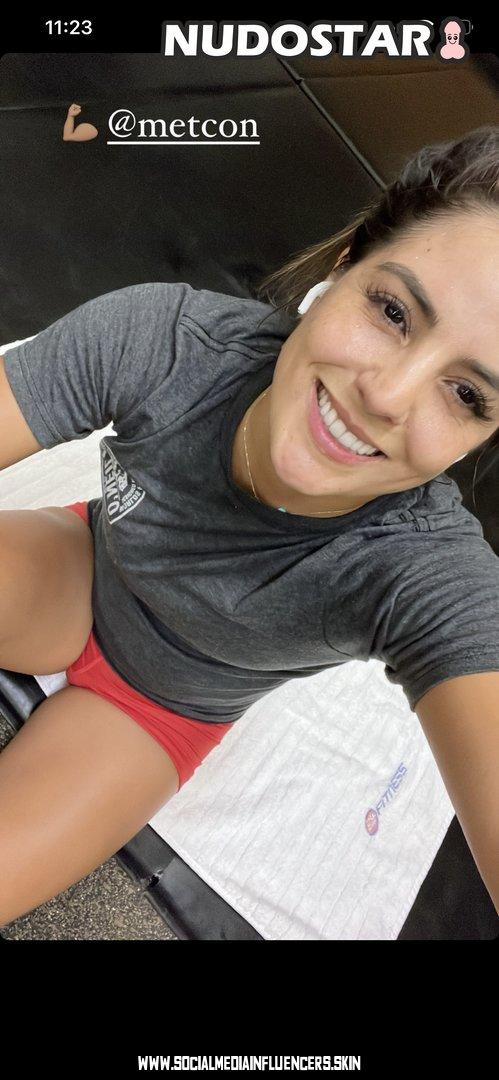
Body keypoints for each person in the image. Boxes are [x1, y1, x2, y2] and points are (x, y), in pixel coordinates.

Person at [0, 125, 498, 929]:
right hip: (81, 566)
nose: (387, 395)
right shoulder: (164, 344)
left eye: (466, 395)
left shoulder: (427, 575)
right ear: (342, 268)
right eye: (391, 311)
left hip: (154, 712)